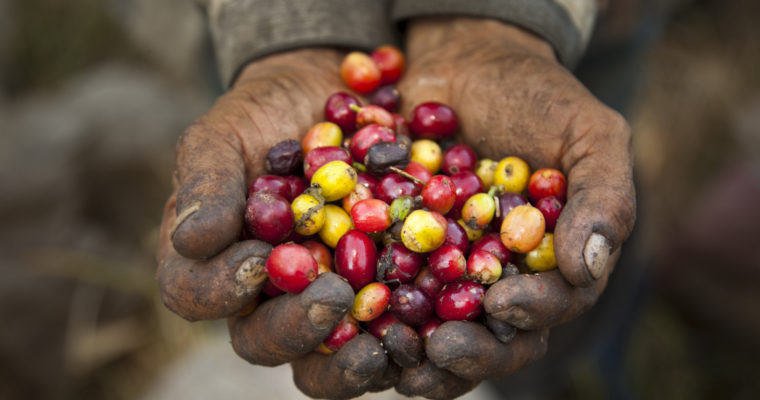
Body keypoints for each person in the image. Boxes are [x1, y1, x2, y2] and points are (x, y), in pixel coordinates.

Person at [156, 1, 637, 398]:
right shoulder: (370, 200)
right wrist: (288, 29)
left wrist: (500, 19)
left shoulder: (419, 205)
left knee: (568, 274)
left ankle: (581, 372)